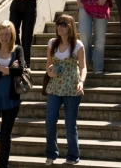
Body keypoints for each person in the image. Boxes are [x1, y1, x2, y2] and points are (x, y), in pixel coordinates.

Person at [0, 20, 29, 168]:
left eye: (7, 34)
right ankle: (1, 142)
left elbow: (20, 70)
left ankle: (3, 164)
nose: (4, 37)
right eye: (2, 34)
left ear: (12, 35)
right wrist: (9, 69)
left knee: (6, 134)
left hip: (11, 99)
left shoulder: (18, 50)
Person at [44, 14, 87, 165]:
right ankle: (51, 153)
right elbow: (48, 64)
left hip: (72, 87)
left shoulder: (77, 45)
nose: (59, 27)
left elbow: (83, 67)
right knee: (50, 120)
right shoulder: (52, 43)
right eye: (58, 24)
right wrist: (50, 71)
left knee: (70, 124)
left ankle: (73, 155)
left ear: (70, 27)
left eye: (63, 24)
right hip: (55, 86)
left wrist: (81, 82)